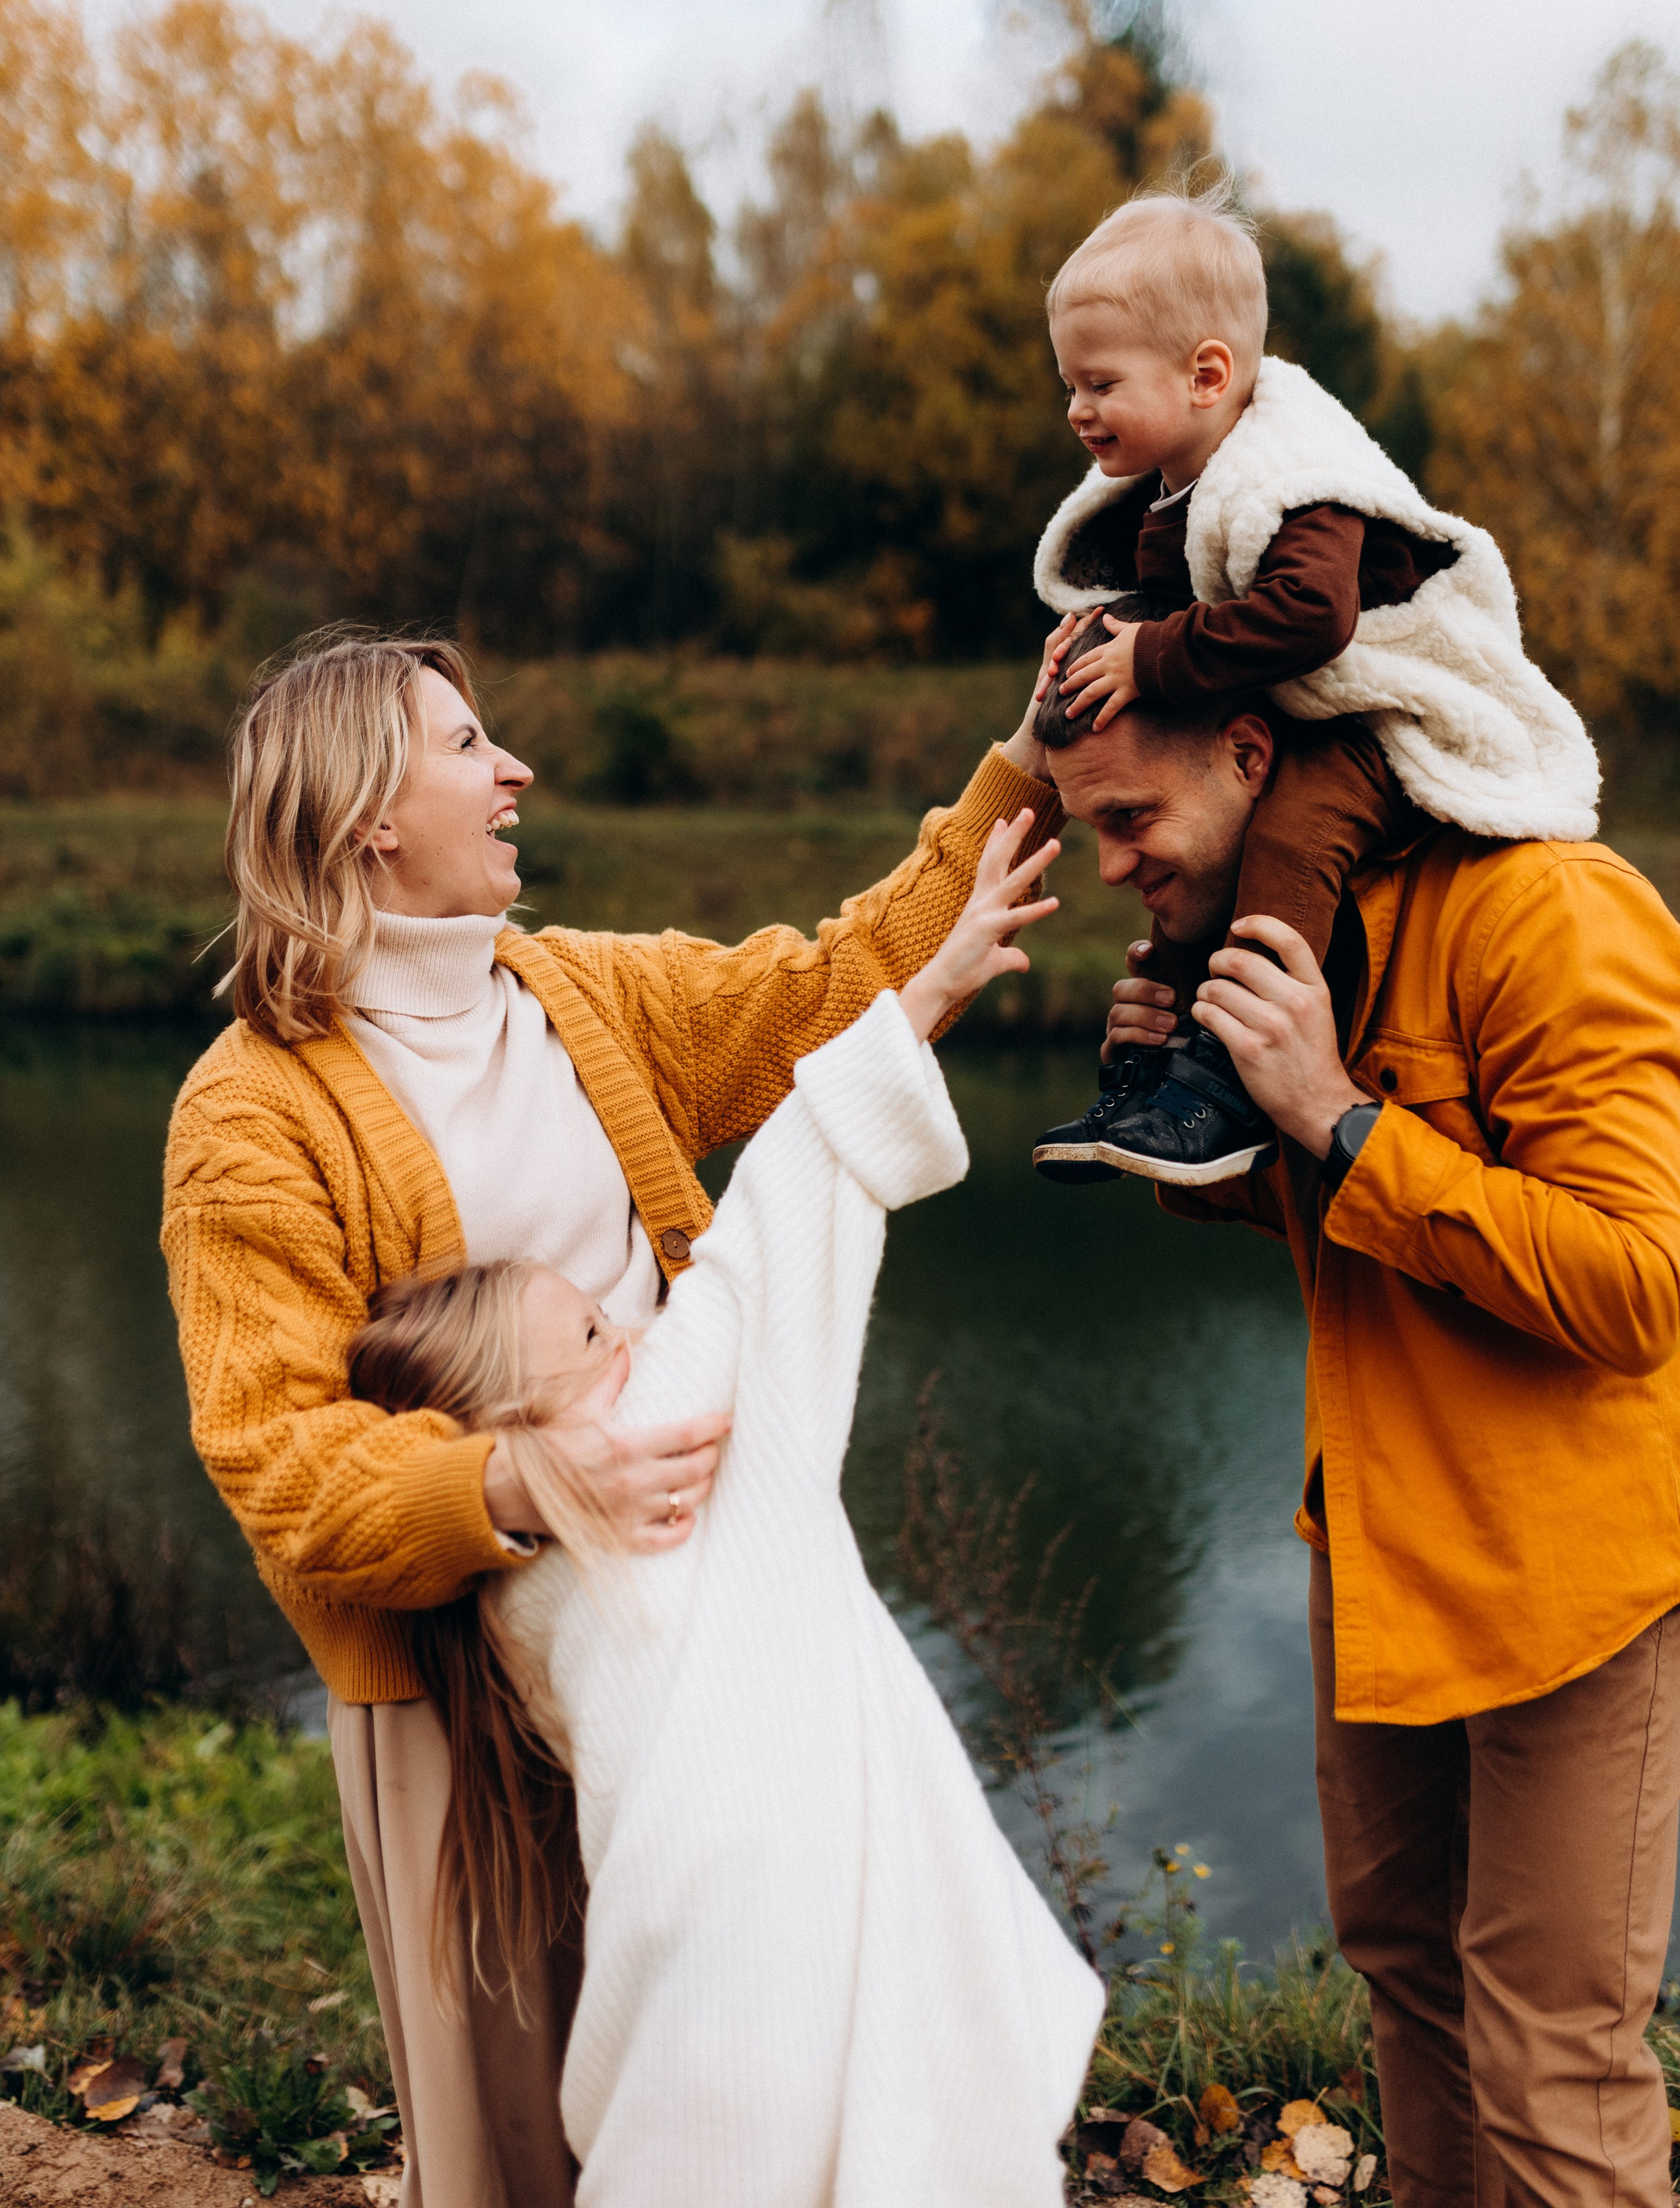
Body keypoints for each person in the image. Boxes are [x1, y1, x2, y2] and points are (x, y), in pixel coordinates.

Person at [160, 627, 1064, 2208]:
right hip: (456, 1677)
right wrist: (521, 1478)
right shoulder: (247, 1110)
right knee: (519, 2136)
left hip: (687, 1609)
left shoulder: (573, 988)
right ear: (370, 807)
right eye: (466, 746)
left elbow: (829, 989)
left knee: (759, 2045)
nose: (511, 771)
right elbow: (277, 1457)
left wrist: (1025, 760)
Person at [345, 815, 1103, 2208]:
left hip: (673, 1924)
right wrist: (930, 991)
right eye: (588, 1337)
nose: (634, 1335)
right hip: (775, 1898)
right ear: (513, 1413)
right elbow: (783, 1202)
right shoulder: (667, 1429)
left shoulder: (502, 1577)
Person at [1028, 656, 1680, 2208]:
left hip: (1560, 1579)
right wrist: (1189, 1115)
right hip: (1377, 1545)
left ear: (1249, 754)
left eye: (1130, 819)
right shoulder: (1297, 944)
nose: (1113, 867)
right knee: (1410, 1980)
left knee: (1552, 2045)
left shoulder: (1545, 911)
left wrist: (1329, 1112)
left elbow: (1634, 1285)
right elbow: (1355, 1234)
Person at [1027, 179, 1599, 1185]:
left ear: (1207, 373)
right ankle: (1161, 1080)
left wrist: (1151, 656)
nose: (1078, 411)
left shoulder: (1294, 477)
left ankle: (1231, 1081)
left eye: (1101, 385)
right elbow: (1163, 606)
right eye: (1069, 385)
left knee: (1291, 828)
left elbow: (1313, 618)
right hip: (1301, 700)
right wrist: (1089, 647)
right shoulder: (1175, 483)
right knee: (1192, 882)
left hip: (1388, 706)